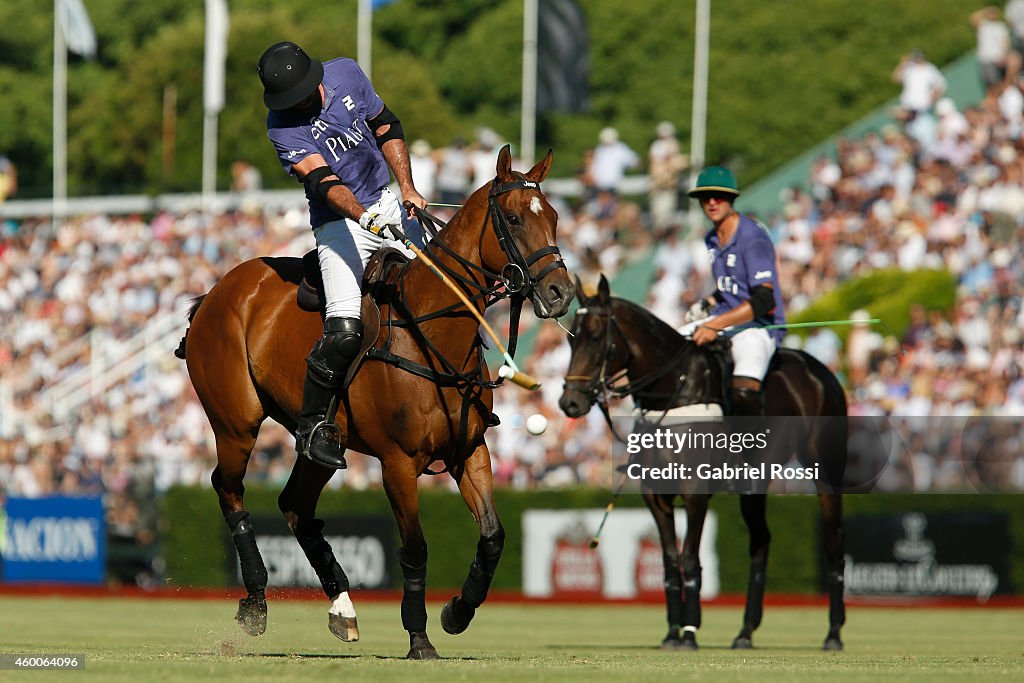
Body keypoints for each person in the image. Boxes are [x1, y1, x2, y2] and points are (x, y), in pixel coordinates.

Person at [258, 41, 427, 470]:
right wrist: (362, 217)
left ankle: (468, 386)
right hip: (337, 223)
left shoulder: (347, 73)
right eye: (288, 101)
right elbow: (322, 180)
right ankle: (314, 425)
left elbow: (386, 126)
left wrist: (406, 187)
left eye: (301, 96)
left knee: (437, 287)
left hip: (386, 199)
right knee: (344, 329)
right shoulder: (281, 127)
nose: (296, 105)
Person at [680, 166, 785, 417]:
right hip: (725, 319)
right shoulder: (711, 239)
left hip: (760, 325)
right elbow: (732, 286)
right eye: (706, 197)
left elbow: (763, 298)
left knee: (743, 391)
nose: (713, 202)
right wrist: (708, 302)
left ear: (732, 199)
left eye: (720, 196)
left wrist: (715, 324)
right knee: (668, 353)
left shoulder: (753, 238)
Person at [647, 121, 688, 232]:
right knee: (657, 214)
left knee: (667, 214)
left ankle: (664, 233)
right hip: (658, 185)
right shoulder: (657, 146)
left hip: (668, 186)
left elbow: (674, 164)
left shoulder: (673, 145)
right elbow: (654, 165)